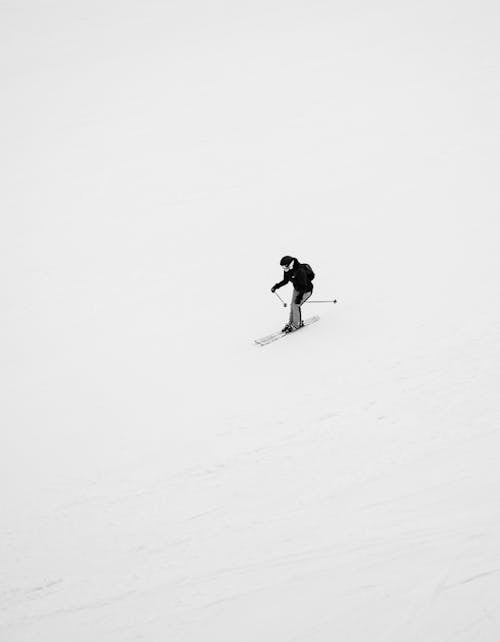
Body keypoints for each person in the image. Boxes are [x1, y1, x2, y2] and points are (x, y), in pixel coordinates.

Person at [271, 256, 314, 332]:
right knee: (292, 305)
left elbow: (304, 286)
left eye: (285, 266)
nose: (284, 268)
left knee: (295, 305)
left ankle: (297, 324)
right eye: (282, 267)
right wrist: (276, 286)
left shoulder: (300, 271)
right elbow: (285, 280)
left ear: (290, 264)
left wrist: (299, 297)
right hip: (297, 289)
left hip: (306, 290)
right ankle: (291, 323)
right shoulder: (287, 270)